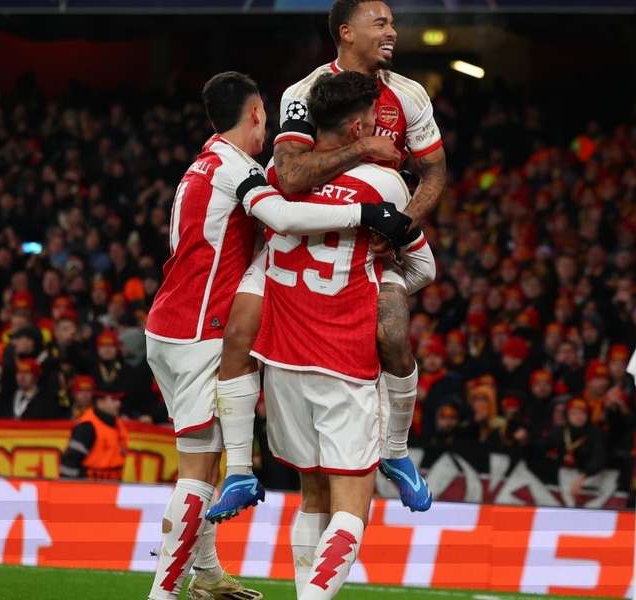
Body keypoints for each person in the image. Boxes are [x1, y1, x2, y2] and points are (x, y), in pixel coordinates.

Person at [142, 71, 408, 600]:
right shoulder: (239, 170)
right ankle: (164, 594)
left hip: (169, 324)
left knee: (208, 456)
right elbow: (283, 215)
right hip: (202, 329)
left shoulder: (206, 160)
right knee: (197, 472)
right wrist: (368, 213)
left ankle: (209, 572)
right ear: (259, 114)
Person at [211, 0, 446, 516]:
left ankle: (398, 452)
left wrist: (403, 225)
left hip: (369, 243)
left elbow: (433, 175)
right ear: (346, 32)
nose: (392, 31)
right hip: (301, 237)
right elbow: (291, 176)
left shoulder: (409, 96)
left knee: (391, 332)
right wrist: (361, 153)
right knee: (238, 330)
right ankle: (238, 470)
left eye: (392, 22)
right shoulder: (304, 93)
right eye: (380, 23)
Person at [246, 71, 435, 599]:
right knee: (352, 508)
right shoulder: (386, 186)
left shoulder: (275, 178)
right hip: (343, 359)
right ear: (356, 127)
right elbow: (424, 268)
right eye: (374, 120)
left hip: (281, 359)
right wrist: (386, 275)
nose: (380, 129)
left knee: (313, 497)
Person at [59, 388, 128, 480]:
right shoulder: (87, 427)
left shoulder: (118, 424)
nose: (118, 403)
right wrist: (69, 490)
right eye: (114, 400)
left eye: (119, 400)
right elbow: (69, 463)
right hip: (90, 488)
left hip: (113, 487)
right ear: (100, 402)